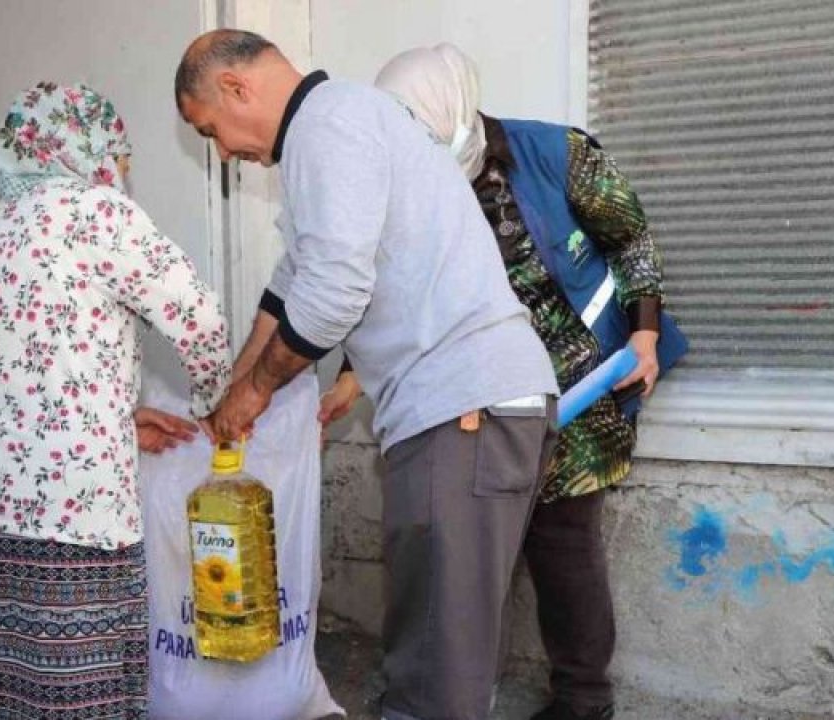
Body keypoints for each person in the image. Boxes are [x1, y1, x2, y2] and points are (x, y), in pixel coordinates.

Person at [175, 30, 560, 720]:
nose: (225, 153)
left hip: (463, 405)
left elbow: (330, 299)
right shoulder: (328, 139)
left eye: (212, 131)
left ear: (236, 88)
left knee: (441, 664)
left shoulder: (332, 125)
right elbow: (289, 290)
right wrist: (230, 396)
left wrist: (256, 391)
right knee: (430, 644)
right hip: (458, 408)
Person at [375, 44, 689, 720]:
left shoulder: (553, 153)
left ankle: (582, 700)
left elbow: (630, 237)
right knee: (469, 557)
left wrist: (645, 331)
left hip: (577, 385)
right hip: (477, 395)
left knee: (563, 544)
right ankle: (453, 697)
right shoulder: (417, 183)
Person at [0, 82, 231, 718]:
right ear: (96, 147)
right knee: (75, 693)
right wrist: (212, 406)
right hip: (70, 511)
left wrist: (114, 417)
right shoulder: (101, 214)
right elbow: (200, 323)